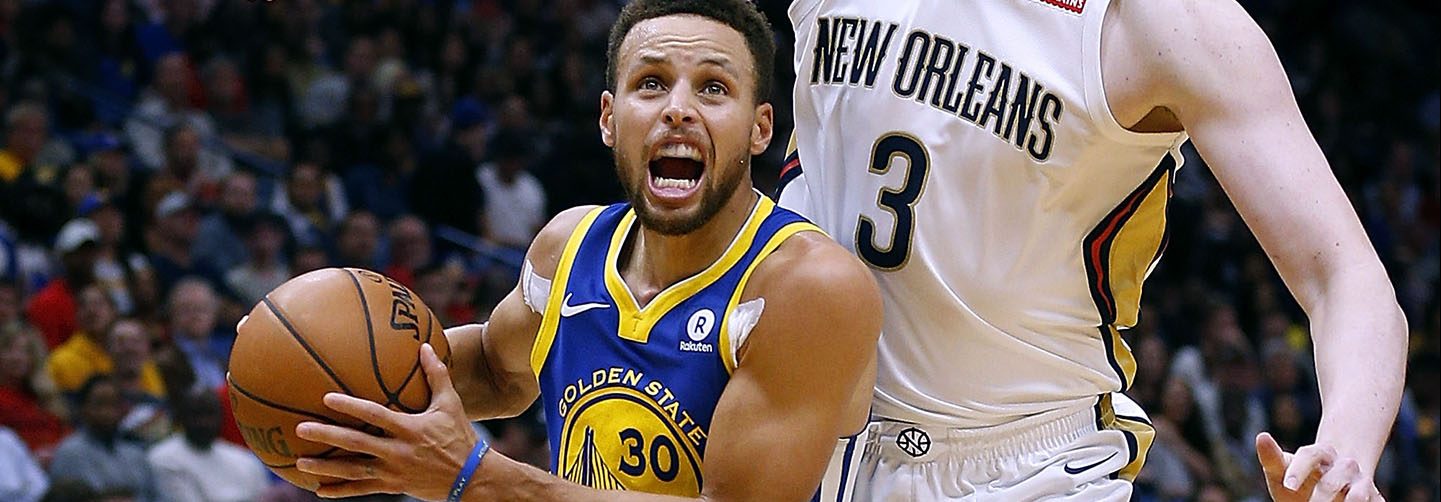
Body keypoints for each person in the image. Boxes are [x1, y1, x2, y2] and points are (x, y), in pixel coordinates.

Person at [780, 0, 1407, 500]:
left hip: (1026, 469)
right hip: (794, 424)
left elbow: (1345, 276)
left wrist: (1344, 463)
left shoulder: (1165, 21)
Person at [291, 1, 884, 500]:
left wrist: (472, 477)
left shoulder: (807, 288)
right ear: (608, 118)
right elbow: (498, 373)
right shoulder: (569, 246)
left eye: (713, 87)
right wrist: (325, 377)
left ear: (759, 129)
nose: (678, 108)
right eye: (651, 83)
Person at [146, 388, 269, 502]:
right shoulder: (164, 458)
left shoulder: (244, 459)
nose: (204, 422)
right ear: (181, 417)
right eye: (196, 414)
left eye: (210, 413)